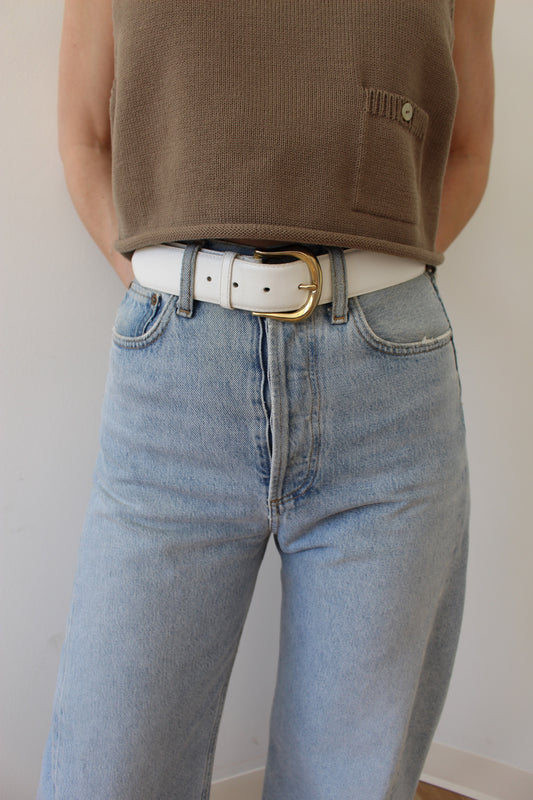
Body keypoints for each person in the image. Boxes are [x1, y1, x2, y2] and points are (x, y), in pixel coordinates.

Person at [37, 1, 495, 798]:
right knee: (107, 773)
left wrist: (367, 280)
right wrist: (175, 285)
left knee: (351, 779)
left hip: (387, 390)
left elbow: (465, 149)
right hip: (175, 384)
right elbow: (87, 137)